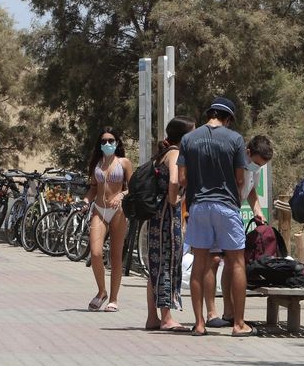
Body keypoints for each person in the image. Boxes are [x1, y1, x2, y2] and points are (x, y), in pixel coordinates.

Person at [178, 97, 254, 337]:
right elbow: (240, 179)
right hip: (226, 206)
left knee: (200, 264)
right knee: (237, 261)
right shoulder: (235, 139)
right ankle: (238, 324)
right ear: (228, 118)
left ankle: (199, 324)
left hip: (199, 206)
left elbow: (181, 179)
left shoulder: (188, 139)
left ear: (210, 113)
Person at [205, 135, 274, 328]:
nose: (257, 167)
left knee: (232, 261)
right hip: (219, 211)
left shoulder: (255, 169)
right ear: (248, 153)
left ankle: (229, 311)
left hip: (233, 213)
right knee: (214, 259)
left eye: (261, 165)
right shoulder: (232, 162)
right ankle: (211, 313)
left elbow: (251, 191)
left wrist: (257, 210)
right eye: (256, 163)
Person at [145, 116, 195, 331]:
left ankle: (152, 317)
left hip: (157, 217)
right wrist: (175, 200)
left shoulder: (162, 154)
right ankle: (166, 318)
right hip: (168, 217)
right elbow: (174, 180)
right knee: (167, 263)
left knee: (156, 266)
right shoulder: (175, 154)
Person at [83, 127, 133, 312]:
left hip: (118, 212)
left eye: (111, 140)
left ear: (117, 142)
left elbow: (132, 187)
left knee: (115, 256)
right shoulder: (97, 163)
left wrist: (121, 195)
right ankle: (101, 291)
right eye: (103, 141)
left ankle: (113, 299)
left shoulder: (124, 163)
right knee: (95, 253)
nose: (107, 144)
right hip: (99, 210)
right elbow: (93, 188)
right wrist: (85, 201)